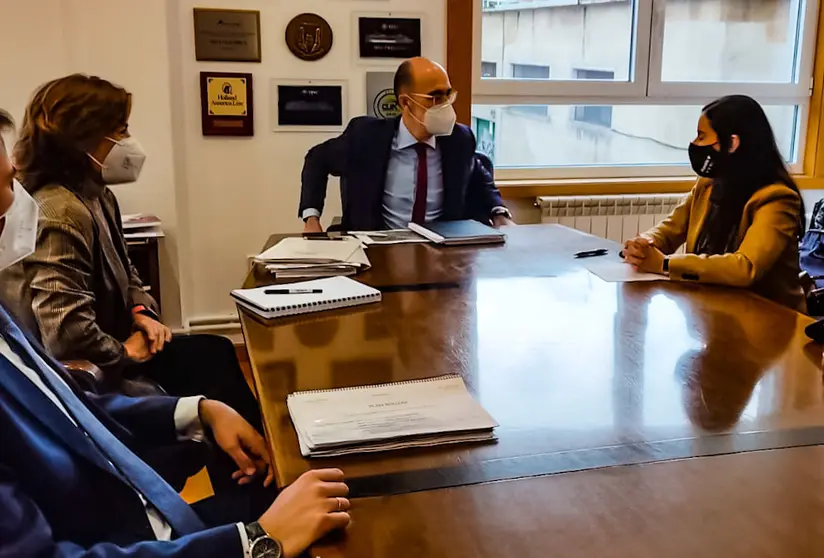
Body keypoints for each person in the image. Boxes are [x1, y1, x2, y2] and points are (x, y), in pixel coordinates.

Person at [0, 108, 351, 557]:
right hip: (143, 540)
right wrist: (255, 541)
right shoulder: (61, 210)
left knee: (336, 493)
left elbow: (66, 406)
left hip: (152, 518)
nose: (18, 200)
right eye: (7, 184)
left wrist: (198, 411)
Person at [0, 75, 261, 432]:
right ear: (84, 137)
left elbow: (129, 272)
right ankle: (254, 458)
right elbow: (67, 334)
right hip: (91, 371)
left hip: (116, 342)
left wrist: (141, 312)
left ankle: (259, 455)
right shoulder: (60, 211)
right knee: (210, 372)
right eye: (120, 131)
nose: (128, 141)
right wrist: (126, 352)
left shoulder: (97, 194)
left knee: (215, 352)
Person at [623, 95, 806, 312]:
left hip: (770, 317)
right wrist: (643, 244)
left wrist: (665, 264)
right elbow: (671, 229)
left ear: (732, 143)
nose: (695, 143)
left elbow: (746, 267)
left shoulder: (777, 199)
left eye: (702, 136)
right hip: (711, 306)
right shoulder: (708, 184)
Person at [299, 57, 514, 232]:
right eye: (435, 97)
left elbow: (477, 171)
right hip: (378, 248)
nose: (445, 105)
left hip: (442, 250)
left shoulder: (459, 139)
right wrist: (312, 219)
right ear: (405, 102)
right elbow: (317, 159)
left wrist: (499, 213)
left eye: (448, 95)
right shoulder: (365, 137)